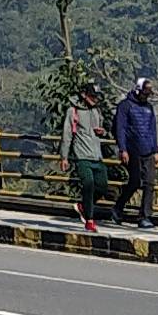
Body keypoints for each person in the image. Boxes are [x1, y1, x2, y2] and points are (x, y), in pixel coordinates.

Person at [110, 77, 158, 227]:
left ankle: (145, 216)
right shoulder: (125, 106)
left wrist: (156, 150)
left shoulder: (149, 108)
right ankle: (118, 208)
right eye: (144, 93)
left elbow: (152, 130)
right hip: (132, 150)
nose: (146, 96)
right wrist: (123, 149)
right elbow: (120, 128)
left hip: (148, 150)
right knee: (135, 181)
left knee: (149, 183)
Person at [59, 81, 112, 227]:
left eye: (96, 97)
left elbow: (102, 129)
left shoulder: (96, 111)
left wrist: (103, 132)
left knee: (102, 186)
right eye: (92, 96)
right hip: (82, 155)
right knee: (88, 184)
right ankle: (89, 219)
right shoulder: (73, 111)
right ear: (84, 95)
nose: (94, 99)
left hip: (96, 154)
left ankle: (83, 206)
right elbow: (67, 134)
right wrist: (64, 157)